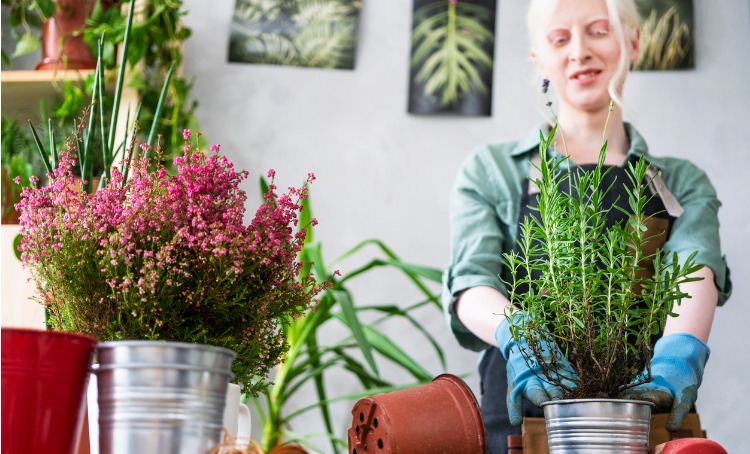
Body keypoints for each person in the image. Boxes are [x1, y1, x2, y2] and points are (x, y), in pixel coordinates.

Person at [441, 0, 733, 451]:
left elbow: (694, 271)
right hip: (522, 419)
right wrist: (522, 339)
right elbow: (471, 283)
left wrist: (678, 357)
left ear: (633, 41)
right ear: (539, 55)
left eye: (599, 31)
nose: (579, 51)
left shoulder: (680, 180)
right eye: (560, 38)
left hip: (646, 414)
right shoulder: (491, 170)